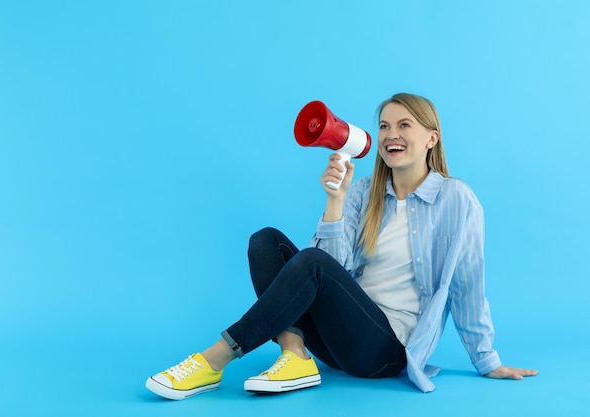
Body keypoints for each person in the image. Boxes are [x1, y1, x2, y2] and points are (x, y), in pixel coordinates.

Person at [145, 93, 538, 400]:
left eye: (404, 125)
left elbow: (468, 284)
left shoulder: (457, 199)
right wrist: (336, 199)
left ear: (432, 138)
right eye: (384, 126)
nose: (390, 135)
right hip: (336, 342)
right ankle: (296, 357)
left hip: (384, 351)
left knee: (310, 261)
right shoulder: (365, 192)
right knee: (265, 241)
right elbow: (328, 271)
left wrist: (488, 361)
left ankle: (216, 358)